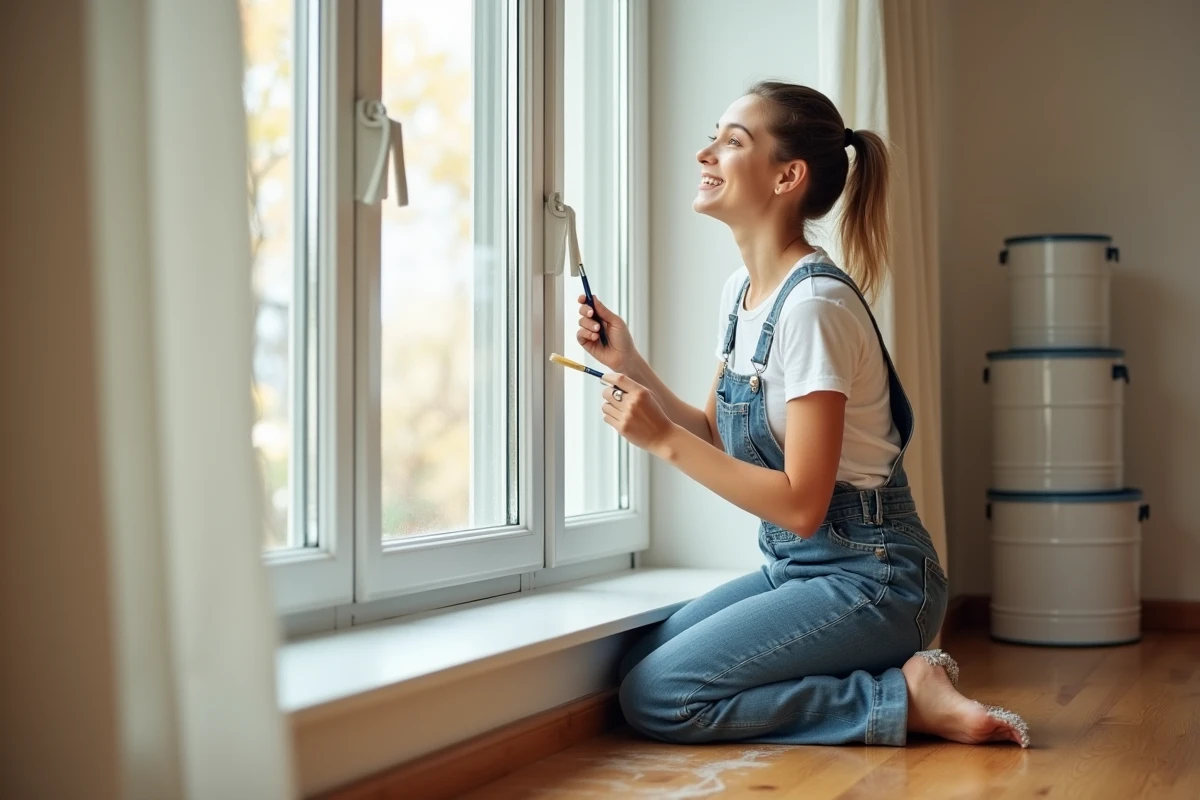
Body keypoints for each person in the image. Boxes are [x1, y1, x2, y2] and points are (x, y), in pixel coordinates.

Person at [573, 81, 1029, 749]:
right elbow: (716, 434)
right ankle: (891, 680)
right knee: (639, 663)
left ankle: (901, 698)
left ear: (787, 176)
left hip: (876, 579)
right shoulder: (743, 293)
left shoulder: (814, 307)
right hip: (797, 568)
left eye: (732, 142)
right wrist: (629, 362)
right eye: (713, 137)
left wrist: (661, 440)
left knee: (660, 694)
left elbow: (801, 505)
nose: (705, 153)